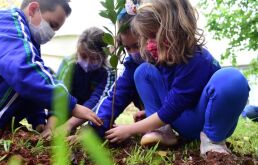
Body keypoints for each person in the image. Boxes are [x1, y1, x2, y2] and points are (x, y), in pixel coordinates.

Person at [0, 0, 102, 142]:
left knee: (35, 76)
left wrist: (39, 122)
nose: (51, 33)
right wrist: (71, 105)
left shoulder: (29, 40)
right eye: (51, 24)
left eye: (56, 29)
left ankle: (0, 125)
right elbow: (22, 72)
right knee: (24, 73)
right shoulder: (9, 22)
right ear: (33, 9)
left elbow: (32, 89)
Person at [105, 0, 250, 156]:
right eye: (146, 38)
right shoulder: (164, 59)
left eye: (153, 36)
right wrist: (150, 113)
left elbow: (169, 111)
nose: (148, 45)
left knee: (232, 78)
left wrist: (128, 130)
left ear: (175, 30)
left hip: (202, 121)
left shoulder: (198, 60)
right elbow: (170, 99)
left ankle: (212, 141)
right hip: (182, 119)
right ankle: (161, 131)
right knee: (143, 71)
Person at [90, 10, 150, 139]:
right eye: (127, 48)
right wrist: (94, 130)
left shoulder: (167, 61)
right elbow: (115, 98)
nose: (133, 53)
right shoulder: (131, 66)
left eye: (137, 45)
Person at [56, 27, 115, 133]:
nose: (87, 63)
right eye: (83, 56)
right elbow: (59, 94)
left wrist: (70, 124)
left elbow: (98, 100)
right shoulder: (68, 64)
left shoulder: (108, 71)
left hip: (91, 113)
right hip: (67, 109)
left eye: (94, 58)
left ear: (103, 56)